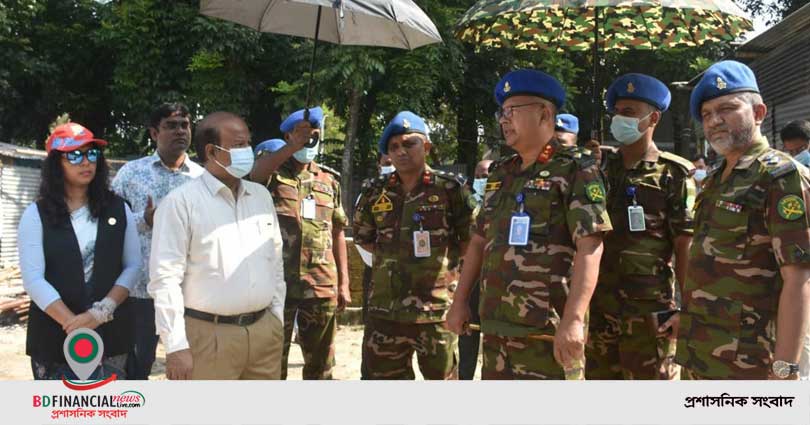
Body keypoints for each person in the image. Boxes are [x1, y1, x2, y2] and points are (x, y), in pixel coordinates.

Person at [446, 69, 612, 379]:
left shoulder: (576, 169)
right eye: (501, 112)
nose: (503, 120)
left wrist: (574, 320)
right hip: (496, 328)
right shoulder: (499, 172)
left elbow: (591, 246)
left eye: (512, 111)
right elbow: (479, 241)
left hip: (547, 332)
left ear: (544, 113)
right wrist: (459, 302)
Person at [676, 61, 810, 380]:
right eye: (706, 114)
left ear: (759, 112)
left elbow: (800, 278)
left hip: (752, 363)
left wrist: (785, 369)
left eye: (727, 108)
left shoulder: (781, 177)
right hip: (702, 354)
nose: (715, 121)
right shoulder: (714, 180)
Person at [148, 112, 286, 380]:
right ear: (211, 151)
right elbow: (165, 280)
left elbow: (275, 261)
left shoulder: (260, 197)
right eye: (238, 145)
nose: (248, 151)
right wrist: (175, 346)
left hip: (263, 334)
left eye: (248, 143)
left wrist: (275, 319)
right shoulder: (180, 203)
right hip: (207, 337)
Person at [585, 73, 695, 380]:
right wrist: (585, 169)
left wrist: (686, 308)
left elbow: (685, 245)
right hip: (600, 310)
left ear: (653, 118)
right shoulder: (599, 169)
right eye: (617, 112)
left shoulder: (673, 175)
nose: (619, 119)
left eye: (629, 112)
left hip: (649, 312)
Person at [353, 111, 476, 380]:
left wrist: (449, 277)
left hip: (435, 312)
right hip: (385, 312)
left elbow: (471, 240)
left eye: (409, 144)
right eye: (394, 147)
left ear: (427, 147)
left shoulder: (451, 189)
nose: (401, 151)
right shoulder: (375, 190)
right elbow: (364, 237)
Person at [19, 123, 141, 379]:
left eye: (91, 154)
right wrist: (73, 324)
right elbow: (33, 279)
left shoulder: (119, 209)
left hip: (112, 335)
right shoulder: (36, 214)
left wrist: (100, 312)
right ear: (56, 164)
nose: (85, 162)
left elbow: (132, 266)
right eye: (75, 155)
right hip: (54, 338)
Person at [249, 107, 350, 380]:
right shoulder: (272, 174)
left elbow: (338, 232)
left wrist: (343, 283)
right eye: (302, 136)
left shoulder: (329, 181)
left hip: (320, 285)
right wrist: (290, 147)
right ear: (288, 137)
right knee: (271, 364)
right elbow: (254, 176)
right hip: (276, 284)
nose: (308, 143)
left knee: (321, 366)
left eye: (313, 137)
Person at [111, 102, 203, 380]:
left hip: (191, 292)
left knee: (191, 368)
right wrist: (145, 220)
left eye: (184, 125)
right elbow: (109, 224)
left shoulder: (203, 178)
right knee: (138, 367)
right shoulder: (131, 173)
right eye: (171, 126)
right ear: (154, 133)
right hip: (141, 291)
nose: (180, 132)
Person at [458, 158, 492, 380]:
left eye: (486, 175)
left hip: (495, 279)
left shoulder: (506, 201)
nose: (482, 180)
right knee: (468, 334)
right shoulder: (465, 204)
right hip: (470, 278)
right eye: (479, 176)